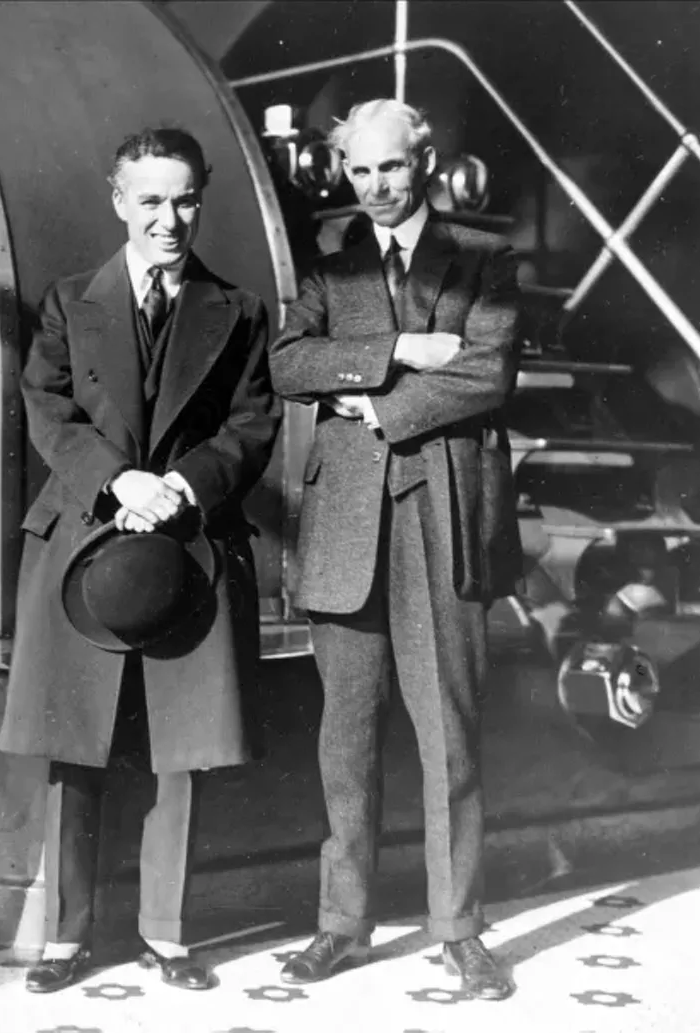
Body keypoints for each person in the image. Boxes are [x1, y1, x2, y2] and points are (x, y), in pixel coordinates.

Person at [0, 128, 281, 993]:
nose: (170, 220)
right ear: (119, 201)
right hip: (85, 534)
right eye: (151, 201)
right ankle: (66, 937)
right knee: (76, 745)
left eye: (185, 199)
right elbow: (46, 410)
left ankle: (167, 933)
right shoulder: (66, 301)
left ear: (203, 199)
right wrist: (119, 481)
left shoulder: (236, 311)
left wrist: (184, 486)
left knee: (180, 747)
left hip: (188, 544)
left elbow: (252, 424)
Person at [267, 98, 521, 1000]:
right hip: (346, 526)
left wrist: (370, 399)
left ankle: (459, 930)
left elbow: (488, 371)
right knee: (347, 735)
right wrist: (405, 349)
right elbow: (289, 365)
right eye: (360, 171)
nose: (375, 187)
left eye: (392, 168)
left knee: (448, 731)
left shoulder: (485, 261)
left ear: (424, 159)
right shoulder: (328, 268)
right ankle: (342, 923)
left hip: (441, 516)